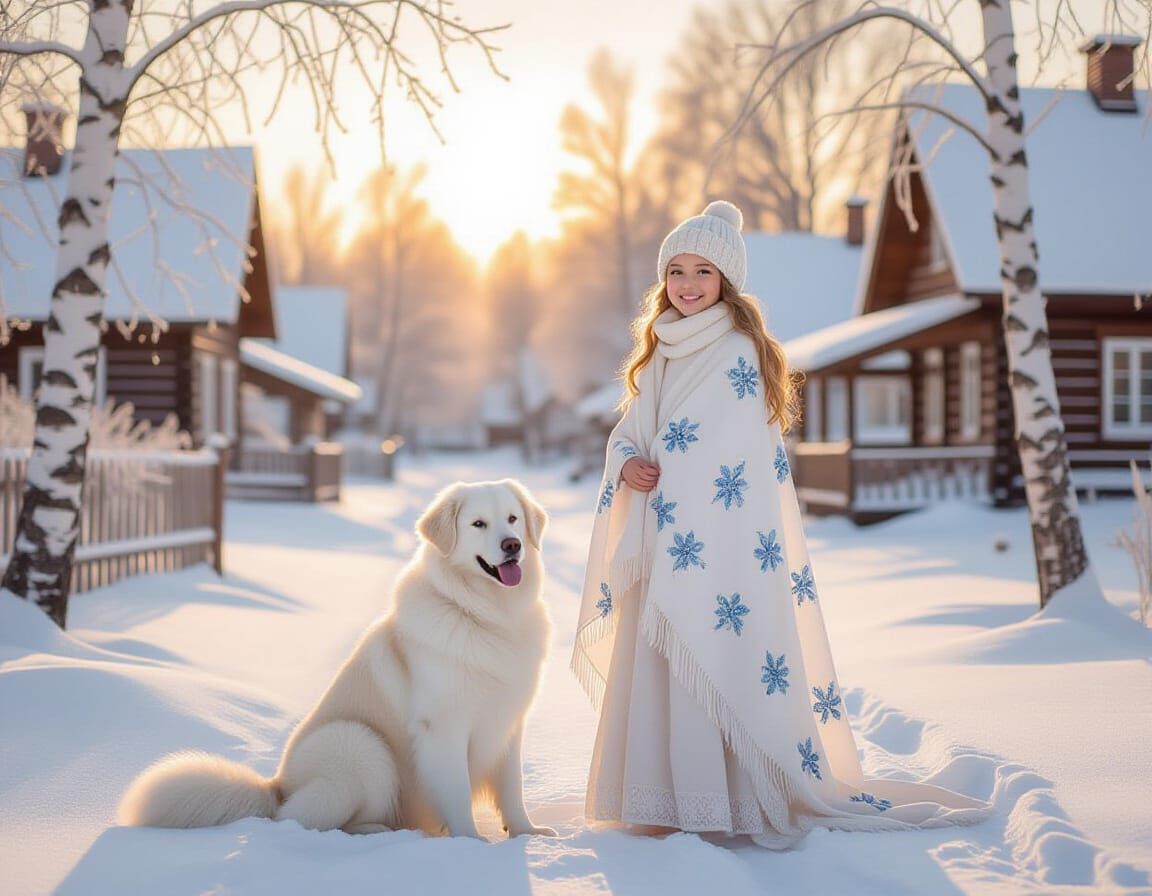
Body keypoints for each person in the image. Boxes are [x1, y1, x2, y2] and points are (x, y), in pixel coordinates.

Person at [571, 200, 988, 847]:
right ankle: (657, 797)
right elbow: (630, 434)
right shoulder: (656, 355)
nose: (686, 285)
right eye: (676, 271)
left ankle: (723, 798)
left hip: (720, 550)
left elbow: (729, 453)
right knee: (656, 671)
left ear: (726, 283)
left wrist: (673, 471)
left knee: (712, 656)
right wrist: (627, 465)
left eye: (702, 272)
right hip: (658, 548)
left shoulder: (739, 352)